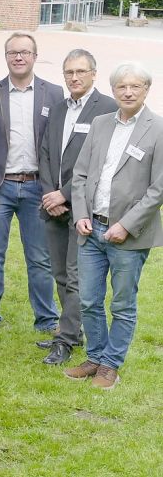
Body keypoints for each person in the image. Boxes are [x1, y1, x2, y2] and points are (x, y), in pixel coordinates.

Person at [65, 61, 163, 390]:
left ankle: (111, 364)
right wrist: (80, 213)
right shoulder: (101, 123)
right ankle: (95, 356)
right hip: (91, 229)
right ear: (113, 90)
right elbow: (80, 175)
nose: (128, 92)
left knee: (122, 303)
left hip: (128, 236)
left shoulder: (158, 129)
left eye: (135, 86)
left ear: (146, 90)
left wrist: (126, 224)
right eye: (122, 86)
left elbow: (158, 189)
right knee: (89, 299)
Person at [0, 32, 62, 332]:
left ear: (35, 55)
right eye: (12, 53)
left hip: (38, 189)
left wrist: (57, 187)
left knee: (40, 257)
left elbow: (59, 143)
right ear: (5, 57)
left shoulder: (53, 93)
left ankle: (46, 318)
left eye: (24, 52)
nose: (18, 57)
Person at [37, 50, 116, 365]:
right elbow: (44, 152)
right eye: (69, 72)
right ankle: (73, 329)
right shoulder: (58, 109)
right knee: (59, 272)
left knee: (75, 272)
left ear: (94, 73)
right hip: (52, 206)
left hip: (83, 206)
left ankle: (66, 339)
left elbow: (102, 164)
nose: (74, 77)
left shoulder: (107, 109)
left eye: (81, 71)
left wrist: (65, 194)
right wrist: (49, 194)